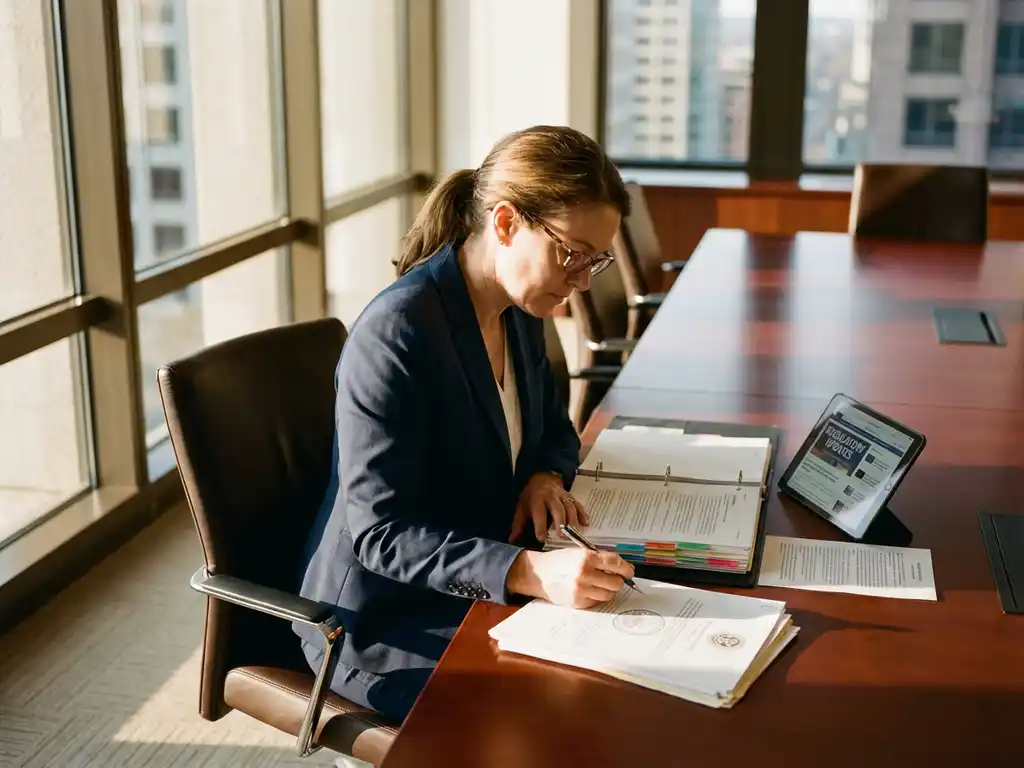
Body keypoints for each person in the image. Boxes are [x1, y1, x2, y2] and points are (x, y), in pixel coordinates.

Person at [293, 125, 636, 721]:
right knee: (562, 712)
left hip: (479, 570)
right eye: (573, 254)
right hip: (385, 623)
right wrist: (527, 570)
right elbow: (381, 534)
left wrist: (545, 477)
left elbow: (556, 425)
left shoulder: (520, 306)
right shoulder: (398, 333)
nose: (582, 280)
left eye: (596, 260)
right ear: (505, 223)